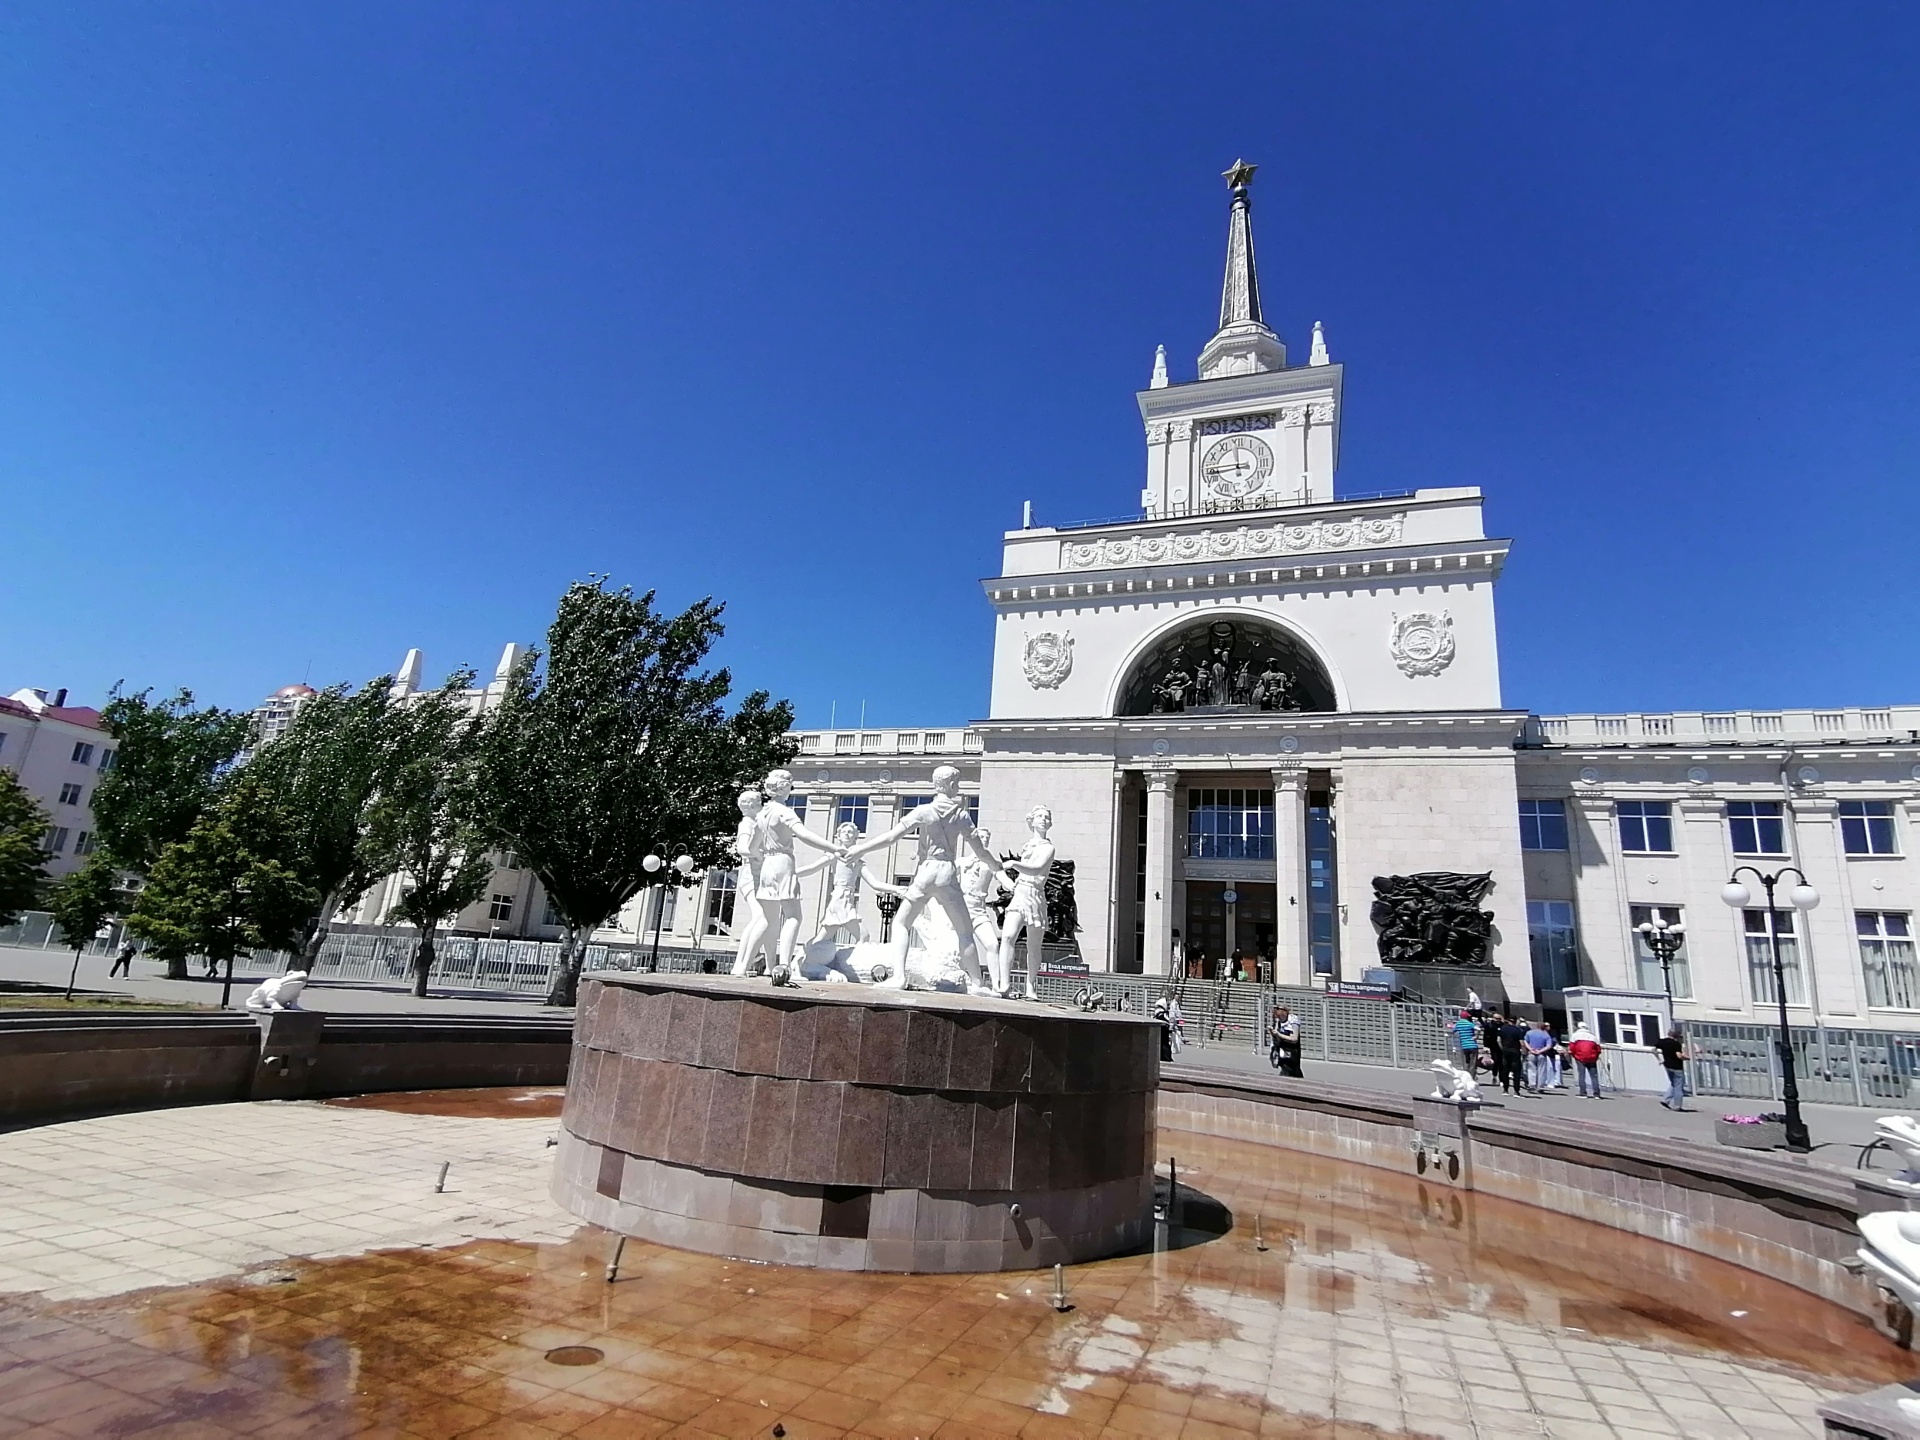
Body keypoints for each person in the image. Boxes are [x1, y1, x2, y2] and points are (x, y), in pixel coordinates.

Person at [842, 764, 1003, 991]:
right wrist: (996, 866)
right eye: (955, 782)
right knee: (964, 931)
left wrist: (860, 850)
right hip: (947, 872)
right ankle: (977, 983)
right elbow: (980, 851)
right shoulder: (962, 815)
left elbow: (891, 837)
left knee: (901, 923)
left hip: (926, 872)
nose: (958, 786)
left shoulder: (924, 811)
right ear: (947, 785)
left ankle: (899, 977)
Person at [1654, 1024, 1690, 1111]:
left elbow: (1653, 1049)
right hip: (1677, 1067)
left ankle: (1665, 1100)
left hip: (1667, 1065)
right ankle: (1677, 1105)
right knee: (1678, 1086)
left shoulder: (1662, 1041)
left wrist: (1659, 1059)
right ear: (1676, 1036)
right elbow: (1679, 1056)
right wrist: (1688, 1058)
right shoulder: (1676, 1044)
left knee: (1674, 1084)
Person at [1494, 1013, 1528, 1096]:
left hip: (1506, 1050)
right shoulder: (1518, 1030)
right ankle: (1516, 1091)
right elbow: (1522, 1043)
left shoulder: (1502, 1029)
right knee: (1516, 1071)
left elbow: (1498, 1040)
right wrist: (1524, 1051)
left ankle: (1505, 1089)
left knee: (1505, 1069)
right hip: (1515, 1051)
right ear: (1515, 1021)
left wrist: (1502, 1048)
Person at [1568, 1023, 1604, 1099]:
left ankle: (1583, 1093)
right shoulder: (1593, 1037)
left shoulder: (1575, 1035)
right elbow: (1598, 1049)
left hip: (1580, 1057)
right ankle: (1596, 1094)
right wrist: (1595, 1057)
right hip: (1592, 1058)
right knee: (1594, 1076)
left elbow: (1572, 1048)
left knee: (1581, 1075)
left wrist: (1574, 1056)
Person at [1523, 1019, 1557, 1093]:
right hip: (1541, 1054)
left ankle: (1532, 1085)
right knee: (1541, 1070)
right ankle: (1540, 1086)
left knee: (1531, 1070)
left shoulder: (1530, 1032)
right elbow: (1549, 1046)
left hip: (1531, 1053)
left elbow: (1525, 1041)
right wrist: (1540, 1051)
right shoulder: (1546, 1035)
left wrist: (1530, 1049)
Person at [1269, 1005, 1302, 1078]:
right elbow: (1278, 1038)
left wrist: (1279, 1034)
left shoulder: (1293, 1020)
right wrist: (1273, 1034)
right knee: (1290, 1071)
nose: (1279, 1019)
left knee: (1292, 1071)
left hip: (1292, 1052)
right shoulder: (1278, 1022)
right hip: (1283, 1052)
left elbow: (1295, 1039)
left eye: (1280, 1017)